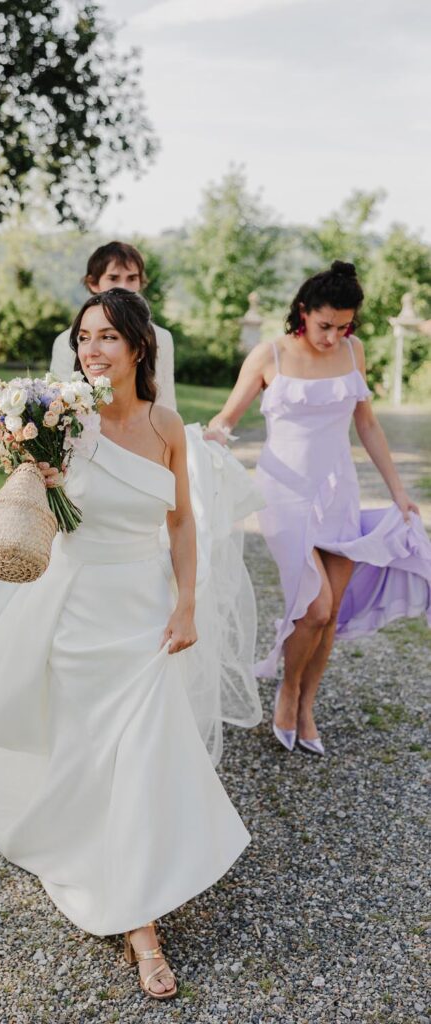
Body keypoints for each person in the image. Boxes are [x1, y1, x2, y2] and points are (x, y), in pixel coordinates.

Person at [0, 289, 261, 1000]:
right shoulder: (62, 420)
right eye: (84, 336)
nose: (92, 349)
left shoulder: (168, 425)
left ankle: (141, 913)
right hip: (79, 613)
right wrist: (40, 475)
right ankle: (135, 916)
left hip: (146, 611)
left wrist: (186, 603)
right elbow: (36, 518)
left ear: (138, 348)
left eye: (107, 338)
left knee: (147, 753)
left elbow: (181, 524)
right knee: (95, 758)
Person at [206, 261, 431, 756]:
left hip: (341, 493)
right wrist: (207, 445)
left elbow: (367, 424)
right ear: (303, 312)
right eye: (325, 325)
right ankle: (287, 691)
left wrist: (397, 489)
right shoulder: (271, 355)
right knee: (316, 607)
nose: (332, 337)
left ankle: (308, 705)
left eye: (343, 326)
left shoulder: (354, 352)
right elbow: (228, 416)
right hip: (284, 493)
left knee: (329, 618)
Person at [50, 241, 177, 410]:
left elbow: (166, 402)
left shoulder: (161, 337)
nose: (124, 287)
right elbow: (60, 406)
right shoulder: (65, 341)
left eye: (132, 278)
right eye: (113, 278)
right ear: (93, 283)